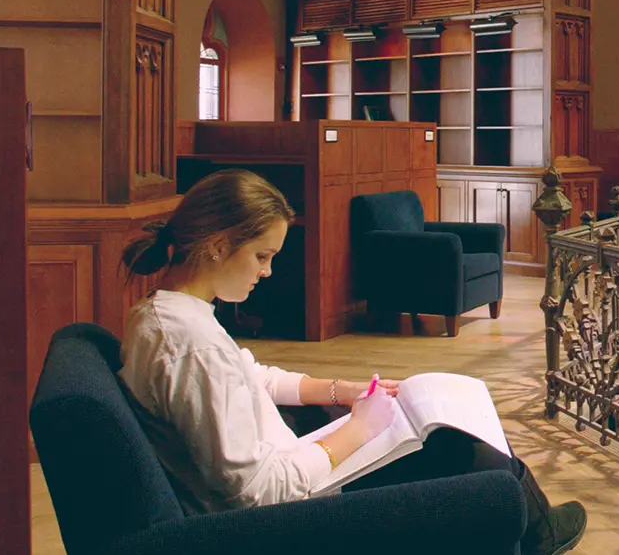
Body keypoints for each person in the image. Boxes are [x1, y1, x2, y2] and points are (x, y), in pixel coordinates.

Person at [117, 169, 586, 554]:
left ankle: (532, 530)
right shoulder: (190, 345)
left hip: (294, 470)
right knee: (467, 452)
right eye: (262, 255)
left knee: (455, 440)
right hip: (290, 517)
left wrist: (345, 390)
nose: (268, 271)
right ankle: (535, 534)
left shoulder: (167, 315)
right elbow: (259, 492)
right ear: (219, 243)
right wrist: (360, 427)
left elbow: (249, 377)